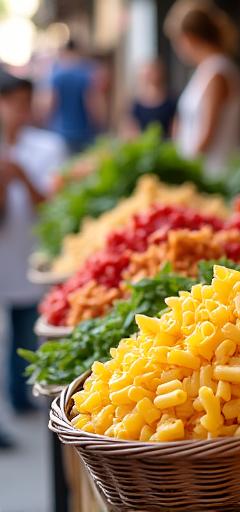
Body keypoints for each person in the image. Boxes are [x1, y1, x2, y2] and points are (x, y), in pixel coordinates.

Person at [0, 70, 67, 447]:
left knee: (25, 329)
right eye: (13, 103)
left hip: (27, 251)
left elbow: (52, 206)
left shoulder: (46, 147)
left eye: (26, 103)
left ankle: (20, 393)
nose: (20, 112)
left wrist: (21, 178)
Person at [165, 0, 240, 179]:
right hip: (201, 173)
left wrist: (182, 169)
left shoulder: (218, 73)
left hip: (214, 175)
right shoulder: (206, 70)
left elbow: (207, 133)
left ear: (188, 38)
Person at [40, 39, 105, 153]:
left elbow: (50, 104)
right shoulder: (85, 73)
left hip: (60, 131)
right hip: (84, 132)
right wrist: (99, 125)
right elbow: (93, 104)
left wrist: (45, 122)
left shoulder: (56, 75)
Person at [122, 59, 177, 138]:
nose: (150, 77)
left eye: (151, 73)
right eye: (147, 75)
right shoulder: (136, 104)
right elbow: (130, 129)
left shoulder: (171, 101)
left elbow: (175, 129)